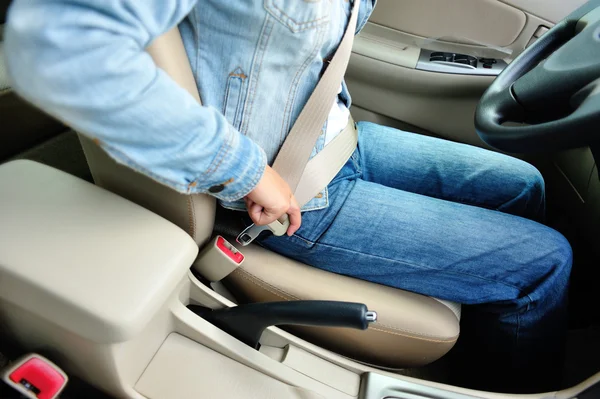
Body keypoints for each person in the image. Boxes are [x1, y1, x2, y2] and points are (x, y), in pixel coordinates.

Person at [4, 0, 571, 393]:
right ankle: (503, 384)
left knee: (525, 185)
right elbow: (60, 50)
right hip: (288, 194)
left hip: (337, 138)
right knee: (544, 264)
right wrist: (245, 171)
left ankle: (505, 328)